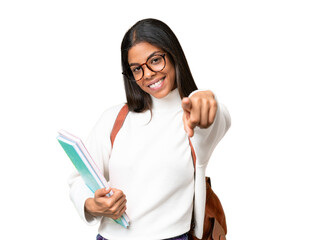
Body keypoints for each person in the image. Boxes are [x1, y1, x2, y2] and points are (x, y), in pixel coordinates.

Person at [68, 18, 231, 240]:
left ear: (173, 55)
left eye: (155, 60)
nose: (147, 74)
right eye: (136, 69)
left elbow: (216, 119)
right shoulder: (115, 118)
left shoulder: (191, 117)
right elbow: (79, 178)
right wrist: (92, 205)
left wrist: (206, 100)